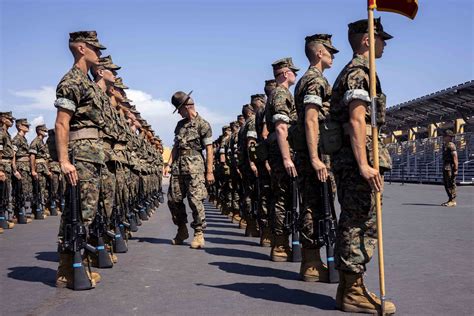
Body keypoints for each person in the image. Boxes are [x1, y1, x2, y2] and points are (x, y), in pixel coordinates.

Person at [329, 18, 396, 313]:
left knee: (356, 221)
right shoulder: (359, 72)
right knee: (359, 224)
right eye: (381, 38)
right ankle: (353, 292)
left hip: (354, 161)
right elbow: (357, 120)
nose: (384, 44)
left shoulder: (360, 71)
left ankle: (350, 288)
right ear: (368, 40)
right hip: (359, 163)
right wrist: (365, 164)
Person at [53, 30, 106, 289]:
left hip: (92, 156)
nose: (101, 53)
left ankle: (67, 269)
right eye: (97, 48)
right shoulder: (72, 81)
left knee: (83, 212)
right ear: (83, 48)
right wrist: (64, 160)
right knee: (79, 214)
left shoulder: (86, 82)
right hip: (80, 156)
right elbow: (62, 123)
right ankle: (73, 268)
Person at [293, 34, 338, 282]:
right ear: (319, 53)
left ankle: (313, 261)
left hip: (313, 152)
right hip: (316, 153)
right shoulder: (314, 80)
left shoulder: (308, 80)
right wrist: (315, 158)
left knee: (316, 204)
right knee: (314, 205)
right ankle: (311, 264)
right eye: (330, 51)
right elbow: (311, 119)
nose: (333, 55)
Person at [165, 91, 214, 249]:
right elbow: (175, 146)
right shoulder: (180, 125)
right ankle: (182, 229)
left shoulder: (203, 124)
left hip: (195, 167)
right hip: (178, 166)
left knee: (195, 200)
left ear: (186, 107)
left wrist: (209, 171)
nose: (179, 113)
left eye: (179, 110)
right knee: (173, 199)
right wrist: (168, 164)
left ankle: (199, 233)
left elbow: (209, 149)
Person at [265, 57, 299, 262]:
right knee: (282, 199)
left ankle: (281, 243)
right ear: (286, 73)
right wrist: (287, 158)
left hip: (280, 152)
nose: (295, 74)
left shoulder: (280, 93)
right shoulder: (280, 93)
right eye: (293, 71)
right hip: (281, 153)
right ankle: (280, 245)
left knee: (284, 199)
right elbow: (281, 127)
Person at [12, 118, 34, 223]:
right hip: (20, 166)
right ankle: (17, 214)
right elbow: (13, 154)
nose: (28, 127)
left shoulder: (24, 139)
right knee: (20, 191)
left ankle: (22, 213)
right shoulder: (17, 139)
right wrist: (15, 169)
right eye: (25, 125)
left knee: (25, 191)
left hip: (25, 167)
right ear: (20, 126)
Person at [29, 124, 52, 218]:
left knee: (43, 189)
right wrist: (33, 170)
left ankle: (41, 209)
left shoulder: (42, 142)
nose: (45, 132)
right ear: (39, 131)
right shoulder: (35, 142)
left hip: (43, 168)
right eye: (43, 130)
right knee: (38, 189)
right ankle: (37, 210)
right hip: (39, 167)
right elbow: (32, 156)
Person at [0, 111, 17, 230]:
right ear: (2, 119)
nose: (12, 121)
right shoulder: (1, 133)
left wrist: (14, 169)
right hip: (3, 166)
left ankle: (4, 219)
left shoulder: (7, 134)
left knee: (5, 194)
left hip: (8, 167)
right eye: (9, 119)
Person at [441, 129, 458, 207]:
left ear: (449, 137)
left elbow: (455, 157)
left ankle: (453, 201)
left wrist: (455, 169)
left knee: (451, 183)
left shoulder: (451, 145)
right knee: (446, 184)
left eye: (445, 136)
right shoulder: (445, 145)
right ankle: (450, 199)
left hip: (450, 167)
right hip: (445, 166)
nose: (443, 137)